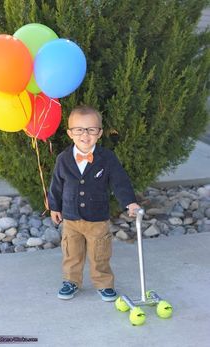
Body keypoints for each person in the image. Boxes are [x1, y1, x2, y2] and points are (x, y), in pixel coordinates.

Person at [48, 105, 140, 302]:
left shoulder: (106, 158)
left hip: (97, 218)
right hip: (71, 217)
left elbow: (119, 181)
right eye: (79, 130)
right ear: (70, 133)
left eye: (91, 130)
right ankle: (71, 281)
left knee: (100, 253)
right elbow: (56, 184)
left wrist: (130, 203)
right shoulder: (63, 159)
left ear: (99, 133)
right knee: (72, 252)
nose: (85, 135)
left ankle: (104, 283)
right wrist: (54, 207)